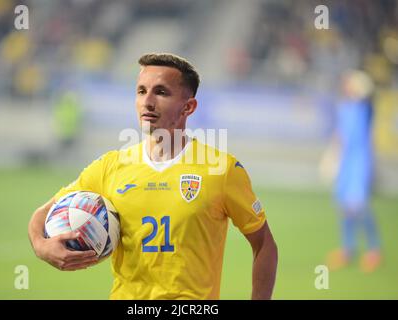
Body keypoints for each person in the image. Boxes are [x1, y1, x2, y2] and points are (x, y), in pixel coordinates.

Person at [28, 53, 278, 299]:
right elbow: (42, 215)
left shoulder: (221, 169)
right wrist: (42, 247)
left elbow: (264, 244)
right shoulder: (109, 167)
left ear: (188, 107)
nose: (147, 101)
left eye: (160, 92)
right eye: (140, 91)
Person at [324, 70, 381, 273]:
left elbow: (370, 99)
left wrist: (363, 88)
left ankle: (374, 249)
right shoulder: (344, 107)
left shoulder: (365, 107)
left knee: (359, 206)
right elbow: (340, 134)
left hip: (360, 161)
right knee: (344, 207)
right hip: (346, 161)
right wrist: (331, 157)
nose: (346, 85)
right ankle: (347, 249)